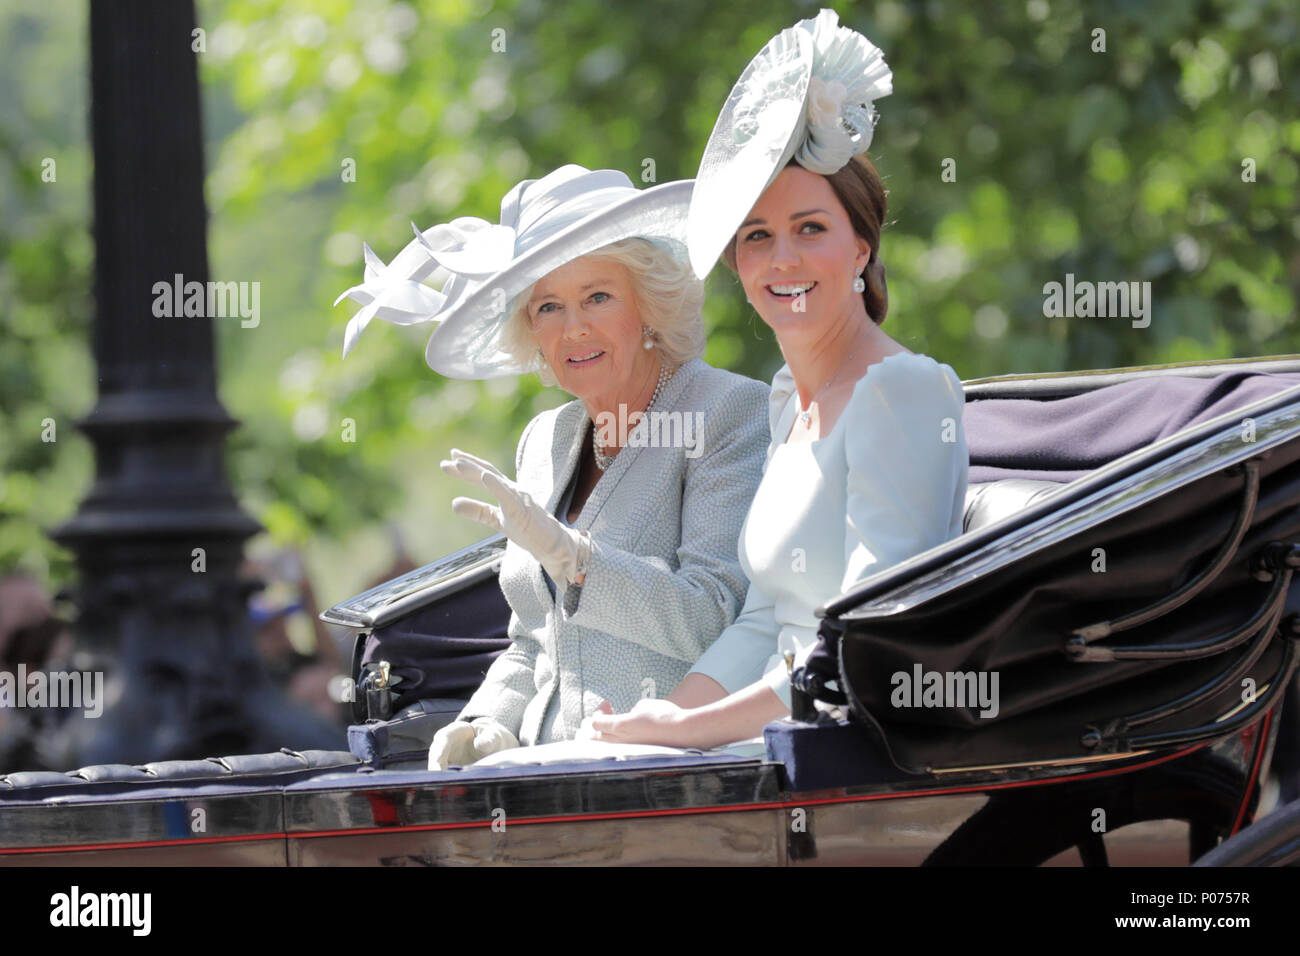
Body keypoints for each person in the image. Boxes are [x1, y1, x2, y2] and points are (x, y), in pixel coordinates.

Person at [584, 10, 969, 749]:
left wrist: (696, 731)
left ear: (860, 249)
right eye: (757, 237)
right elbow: (764, 619)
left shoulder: (903, 389)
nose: (782, 260)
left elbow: (859, 644)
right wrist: (666, 717)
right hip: (767, 725)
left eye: (811, 229)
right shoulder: (787, 399)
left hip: (847, 740)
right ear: (739, 265)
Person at [335, 165, 769, 768]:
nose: (574, 327)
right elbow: (533, 640)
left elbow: (715, 614)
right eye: (548, 306)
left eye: (598, 296)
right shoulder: (546, 439)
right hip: (541, 779)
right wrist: (485, 721)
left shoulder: (725, 411)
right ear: (530, 330)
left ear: (648, 304)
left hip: (668, 772)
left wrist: (581, 561)